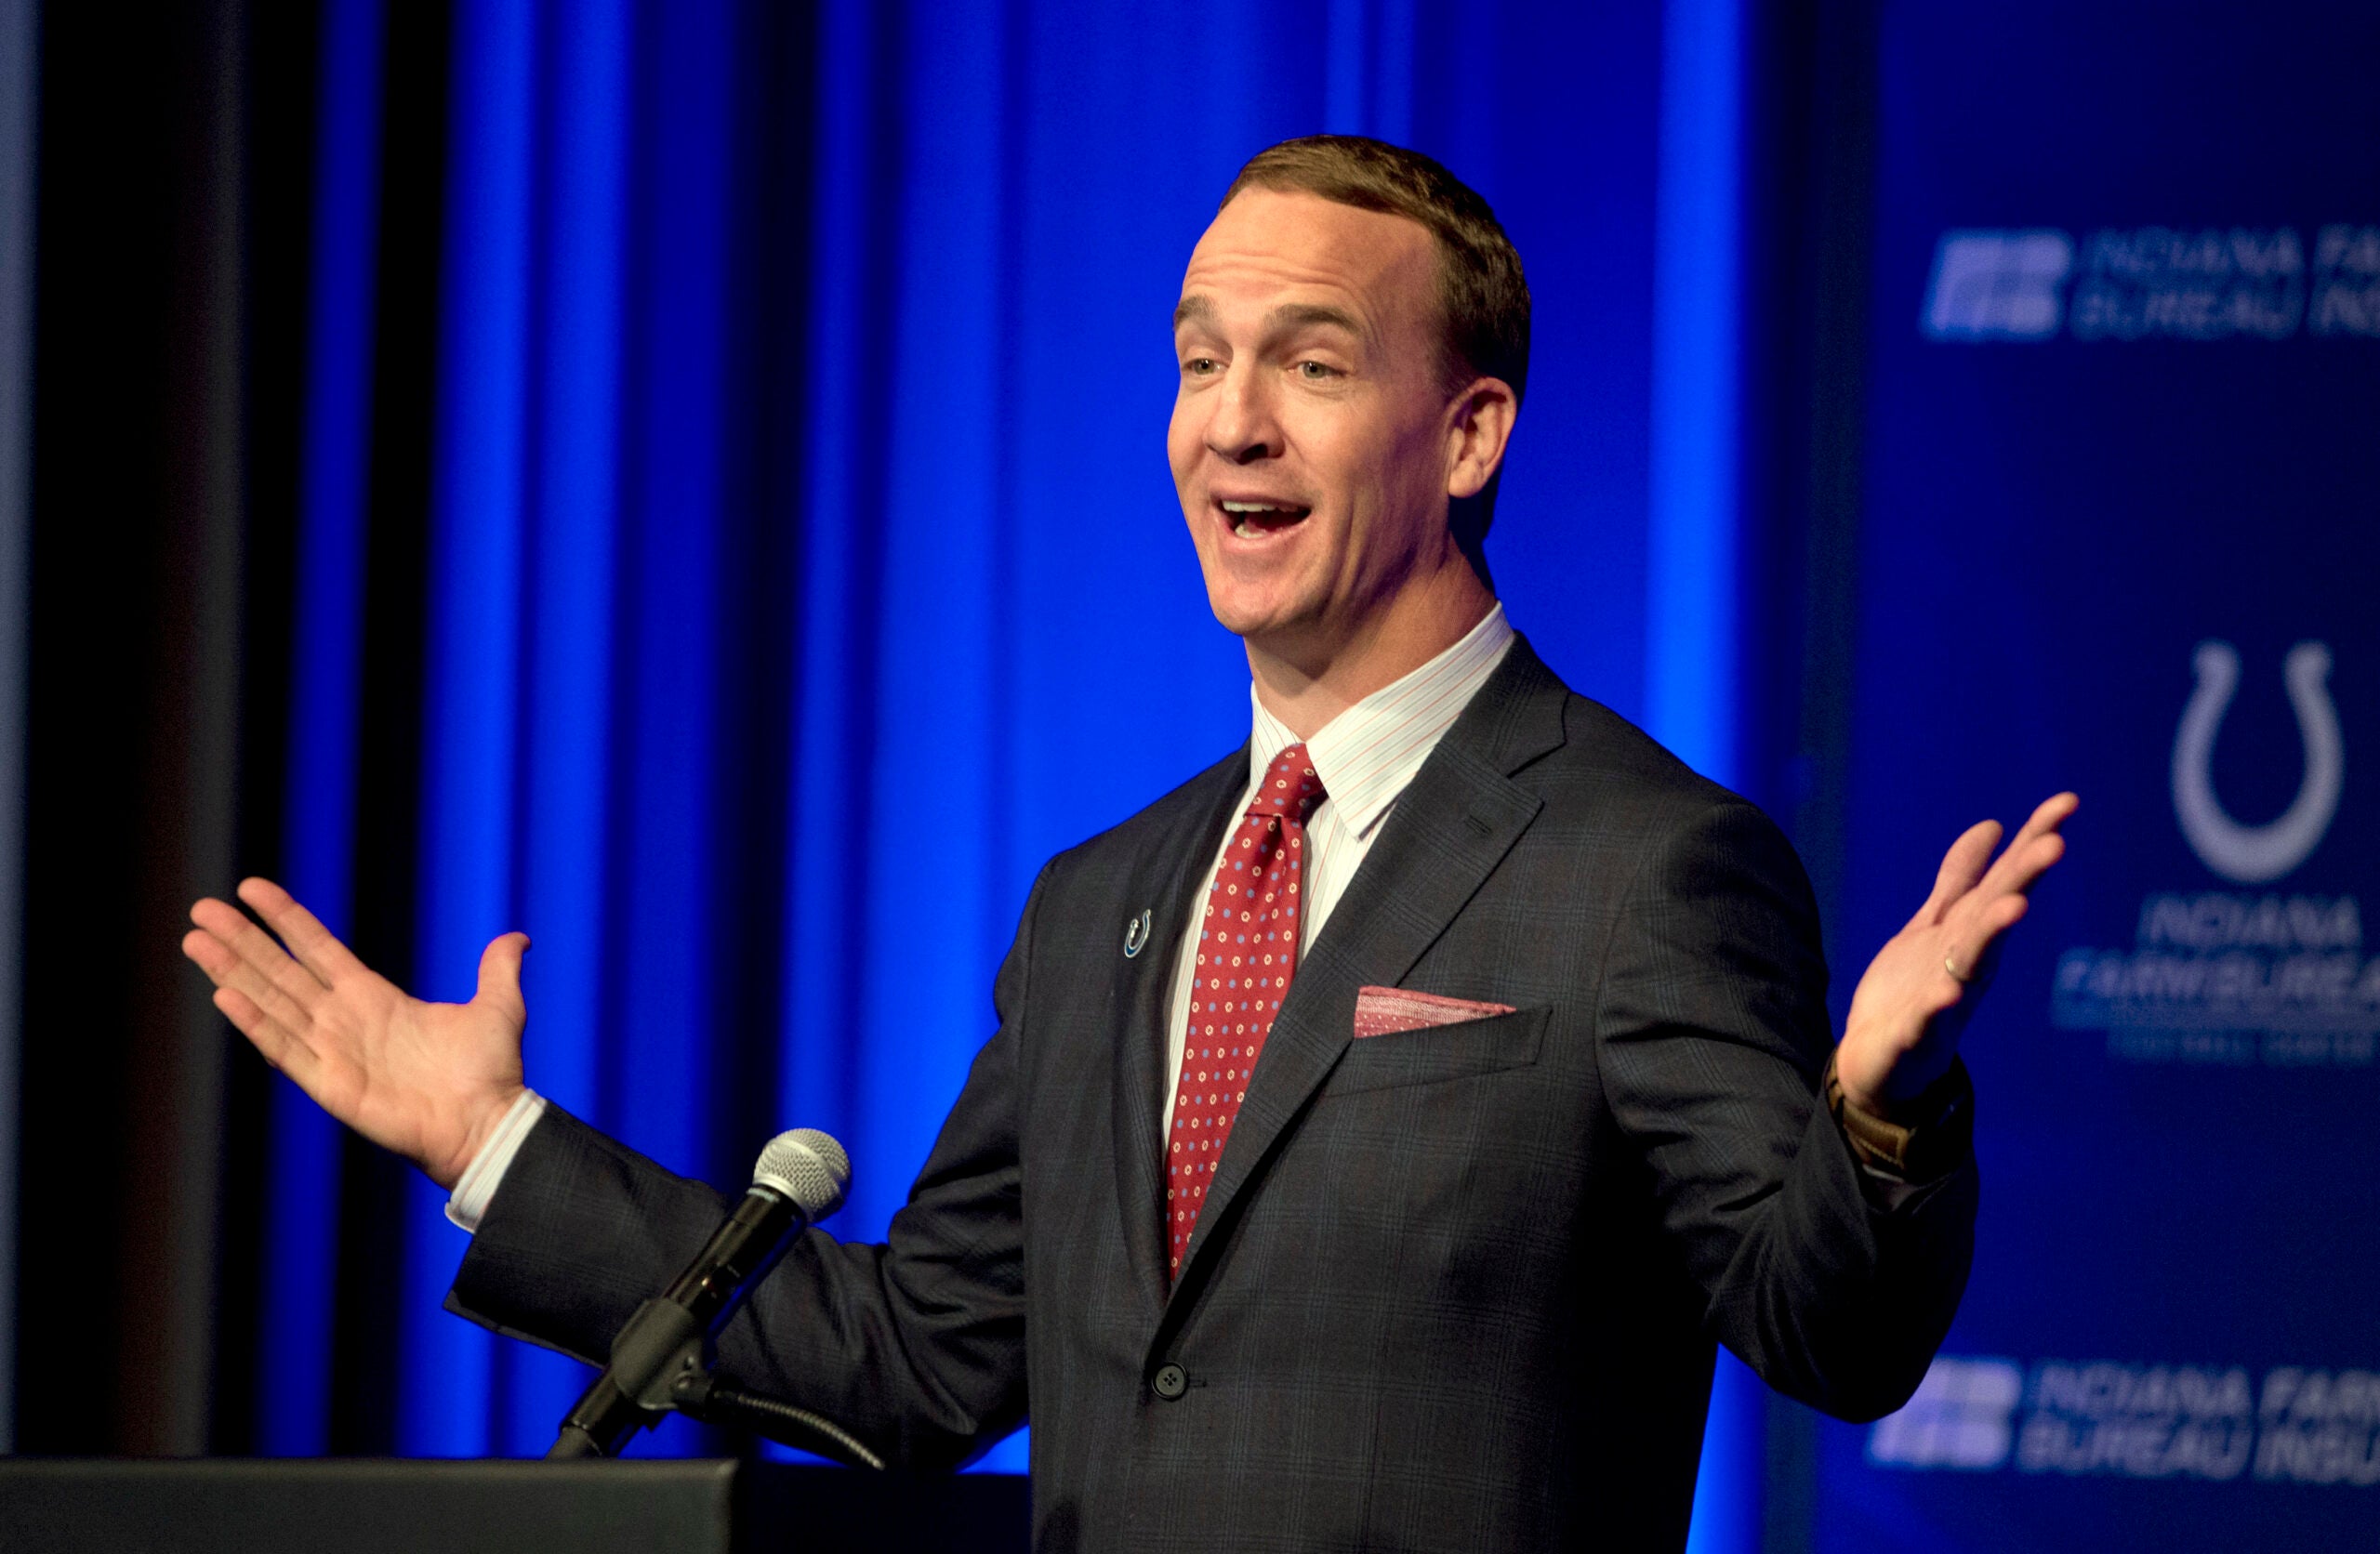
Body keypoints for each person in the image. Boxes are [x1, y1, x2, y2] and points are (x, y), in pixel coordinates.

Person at [183, 136, 2074, 1551]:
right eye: (1195, 359)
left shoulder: (1639, 860)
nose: (1225, 422)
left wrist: (1871, 1112)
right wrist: (484, 1140)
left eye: (1310, 364)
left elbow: (1824, 1330)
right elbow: (914, 1361)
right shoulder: (1105, 898)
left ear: (1469, 430)